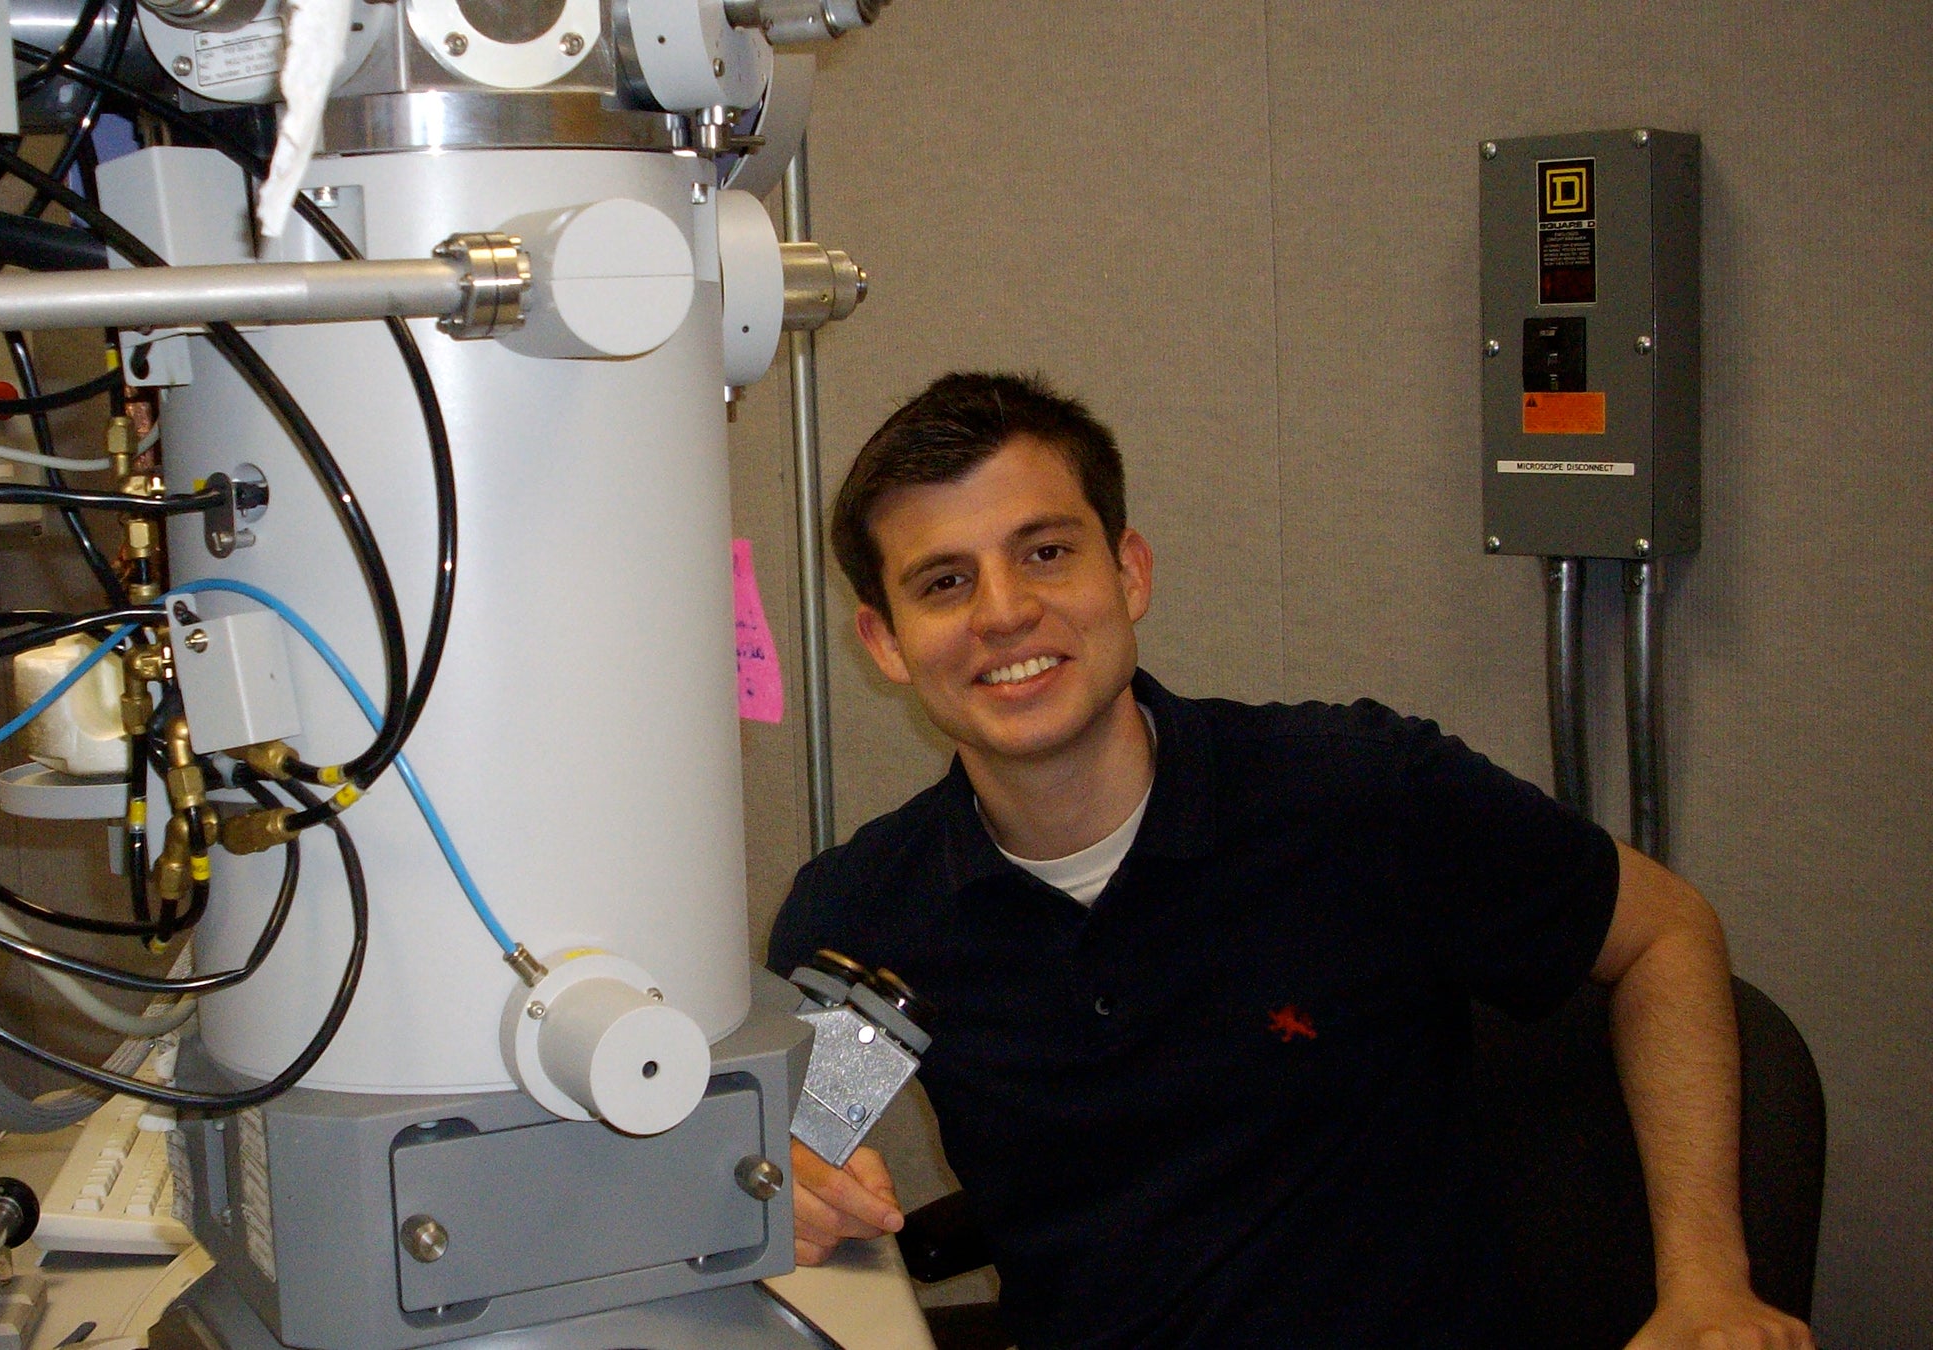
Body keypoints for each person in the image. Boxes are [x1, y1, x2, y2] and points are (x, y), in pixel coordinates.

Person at [767, 372, 1813, 1349]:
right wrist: (799, 1188)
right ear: (888, 642)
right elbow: (813, 1146)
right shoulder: (869, 920)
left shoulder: (1359, 797)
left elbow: (1665, 931)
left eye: (1046, 552)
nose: (1003, 612)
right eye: (945, 582)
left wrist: (1707, 1283)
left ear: (1129, 572)